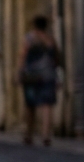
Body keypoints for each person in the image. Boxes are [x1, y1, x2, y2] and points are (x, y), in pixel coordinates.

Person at [19, 15, 60, 146]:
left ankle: (28, 134)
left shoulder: (29, 38)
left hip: (32, 76)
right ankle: (46, 135)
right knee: (47, 105)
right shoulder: (50, 39)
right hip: (48, 75)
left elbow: (22, 56)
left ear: (34, 25)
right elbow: (56, 56)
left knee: (30, 106)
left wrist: (19, 72)